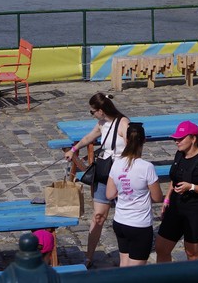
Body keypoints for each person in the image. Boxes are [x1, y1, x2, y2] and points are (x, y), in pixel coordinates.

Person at [62, 92, 128, 268]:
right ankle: (89, 256)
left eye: (92, 112)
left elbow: (134, 147)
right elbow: (88, 138)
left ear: (101, 110)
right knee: (98, 216)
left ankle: (127, 255)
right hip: (104, 173)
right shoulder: (102, 123)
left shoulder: (124, 124)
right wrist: (73, 150)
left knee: (124, 218)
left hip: (121, 176)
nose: (92, 114)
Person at [155, 120, 198, 262]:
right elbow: (175, 179)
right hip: (175, 208)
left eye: (180, 138)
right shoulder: (180, 154)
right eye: (176, 138)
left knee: (192, 253)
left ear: (193, 138)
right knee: (161, 247)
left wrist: (191, 187)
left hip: (196, 212)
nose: (176, 141)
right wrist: (167, 199)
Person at [105, 122, 162, 267]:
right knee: (136, 273)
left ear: (126, 140)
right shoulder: (147, 167)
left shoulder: (116, 164)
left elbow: (110, 194)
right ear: (144, 140)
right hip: (139, 224)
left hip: (120, 221)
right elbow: (157, 197)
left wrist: (124, 190)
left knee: (124, 266)